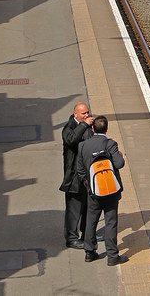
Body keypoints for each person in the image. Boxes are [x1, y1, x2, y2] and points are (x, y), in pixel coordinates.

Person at [76, 116, 128, 265]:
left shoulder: (83, 146)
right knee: (111, 222)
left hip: (93, 190)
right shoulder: (110, 143)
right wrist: (120, 156)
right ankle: (112, 256)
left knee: (91, 220)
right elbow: (119, 164)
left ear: (93, 129)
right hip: (111, 190)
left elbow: (80, 170)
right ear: (106, 129)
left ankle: (90, 252)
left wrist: (89, 184)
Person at [60, 102, 92, 249]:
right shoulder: (69, 128)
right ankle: (72, 238)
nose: (87, 115)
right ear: (76, 114)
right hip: (74, 176)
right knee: (74, 208)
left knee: (87, 205)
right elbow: (71, 140)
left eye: (87, 112)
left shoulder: (86, 126)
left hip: (86, 173)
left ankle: (86, 232)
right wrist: (85, 125)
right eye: (83, 113)